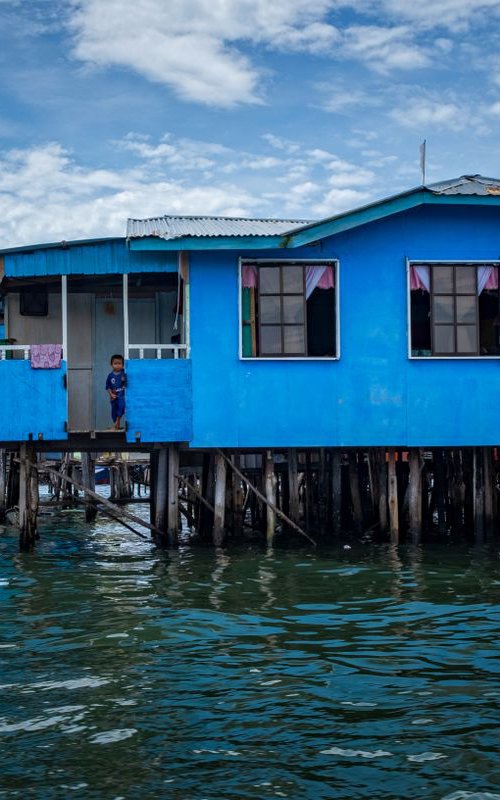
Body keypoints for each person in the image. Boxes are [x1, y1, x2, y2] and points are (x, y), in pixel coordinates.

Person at [105, 354, 126, 430]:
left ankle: (116, 423)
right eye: (115, 363)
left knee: (121, 406)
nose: (117, 365)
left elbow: (127, 382)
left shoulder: (124, 373)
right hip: (114, 396)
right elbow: (108, 387)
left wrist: (124, 379)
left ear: (123, 365)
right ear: (111, 364)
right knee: (114, 410)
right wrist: (111, 394)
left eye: (119, 363)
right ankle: (116, 425)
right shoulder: (110, 376)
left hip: (121, 395)